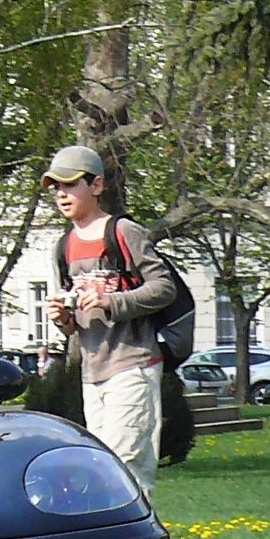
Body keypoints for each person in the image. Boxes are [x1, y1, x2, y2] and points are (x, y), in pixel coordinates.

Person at [42, 145, 175, 499]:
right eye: (55, 186)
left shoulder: (123, 231)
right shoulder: (63, 247)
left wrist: (110, 301)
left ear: (96, 186)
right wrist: (63, 319)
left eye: (70, 185)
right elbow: (74, 326)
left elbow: (164, 288)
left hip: (133, 364)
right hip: (91, 371)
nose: (61, 193)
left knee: (125, 465)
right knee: (101, 469)